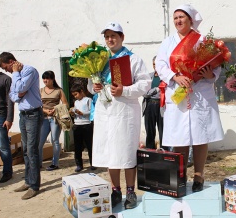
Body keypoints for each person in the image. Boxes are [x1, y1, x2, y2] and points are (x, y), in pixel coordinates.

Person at [155, 4, 224, 192]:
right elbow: (160, 65)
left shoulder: (202, 40)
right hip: (178, 92)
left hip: (200, 93)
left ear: (190, 20)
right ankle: (181, 174)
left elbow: (216, 66)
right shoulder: (167, 42)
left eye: (182, 17)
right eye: (175, 18)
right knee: (180, 136)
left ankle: (199, 176)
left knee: (201, 135)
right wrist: (174, 76)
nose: (178, 21)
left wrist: (210, 75)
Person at [88, 21, 150, 209]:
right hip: (104, 112)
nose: (110, 39)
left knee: (127, 152)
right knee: (110, 153)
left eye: (114, 36)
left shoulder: (134, 60)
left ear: (122, 37)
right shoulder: (99, 60)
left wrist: (125, 90)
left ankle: (130, 192)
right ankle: (116, 190)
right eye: (107, 36)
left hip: (125, 112)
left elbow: (145, 84)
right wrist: (94, 86)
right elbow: (90, 86)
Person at [0, 52, 43, 200]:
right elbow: (13, 95)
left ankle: (34, 186)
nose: (7, 71)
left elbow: (19, 88)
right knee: (25, 150)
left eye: (6, 67)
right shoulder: (16, 76)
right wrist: (18, 92)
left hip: (34, 114)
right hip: (23, 115)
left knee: (32, 150)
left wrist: (17, 77)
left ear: (11, 62)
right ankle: (28, 181)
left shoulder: (28, 70)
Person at [39, 71, 69, 171]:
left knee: (55, 140)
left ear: (52, 79)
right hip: (44, 118)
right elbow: (37, 104)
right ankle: (38, 163)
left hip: (55, 118)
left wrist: (55, 109)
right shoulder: (41, 90)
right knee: (40, 141)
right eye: (44, 78)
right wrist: (45, 111)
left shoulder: (59, 90)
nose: (45, 80)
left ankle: (55, 163)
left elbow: (65, 104)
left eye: (47, 78)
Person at [69, 83, 94, 172]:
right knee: (77, 146)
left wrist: (82, 113)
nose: (75, 96)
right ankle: (79, 164)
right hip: (77, 124)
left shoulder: (88, 100)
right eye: (74, 95)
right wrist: (73, 113)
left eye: (76, 94)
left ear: (81, 91)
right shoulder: (76, 102)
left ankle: (93, 163)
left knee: (89, 145)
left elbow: (92, 112)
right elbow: (75, 112)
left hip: (86, 124)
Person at [142, 56, 165, 149]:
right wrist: (156, 89)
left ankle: (165, 151)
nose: (155, 66)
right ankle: (150, 151)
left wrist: (150, 91)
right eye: (154, 64)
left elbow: (163, 91)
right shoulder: (148, 76)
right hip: (149, 105)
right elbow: (143, 92)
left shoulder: (165, 77)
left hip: (161, 105)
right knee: (149, 130)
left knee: (162, 130)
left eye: (157, 64)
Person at [0, 62, 14, 183]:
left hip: (1, 115)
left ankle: (7, 171)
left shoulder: (5, 79)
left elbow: (10, 101)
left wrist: (9, 118)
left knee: (3, 146)